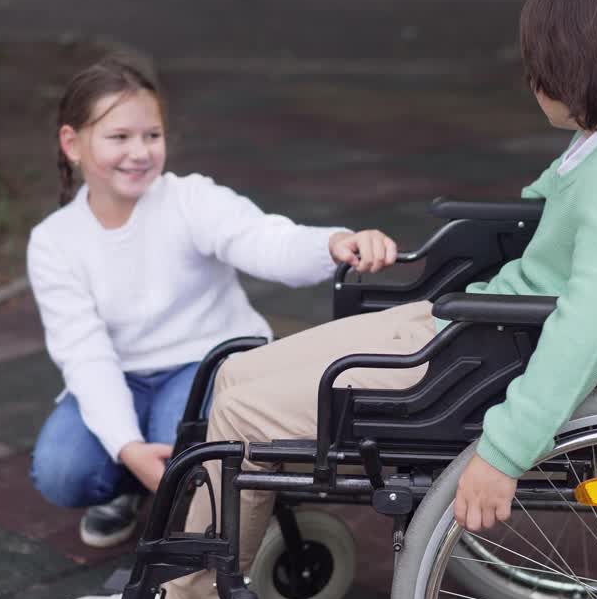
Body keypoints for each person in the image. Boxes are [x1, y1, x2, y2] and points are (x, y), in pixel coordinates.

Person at [48, 0, 597, 599]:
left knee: (239, 420)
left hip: (483, 362)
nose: (532, 77)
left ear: (580, 67)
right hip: (472, 329)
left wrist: (505, 452)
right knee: (237, 377)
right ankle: (190, 588)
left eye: (541, 63)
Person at [27, 54, 398, 549]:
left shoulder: (189, 200)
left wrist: (330, 244)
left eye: (151, 136)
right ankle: (131, 483)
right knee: (60, 469)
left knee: (188, 453)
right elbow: (85, 354)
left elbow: (261, 239)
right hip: (122, 373)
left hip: (206, 360)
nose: (139, 152)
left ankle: (242, 490)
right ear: (72, 143)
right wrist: (128, 447)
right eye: (119, 137)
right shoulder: (55, 241)